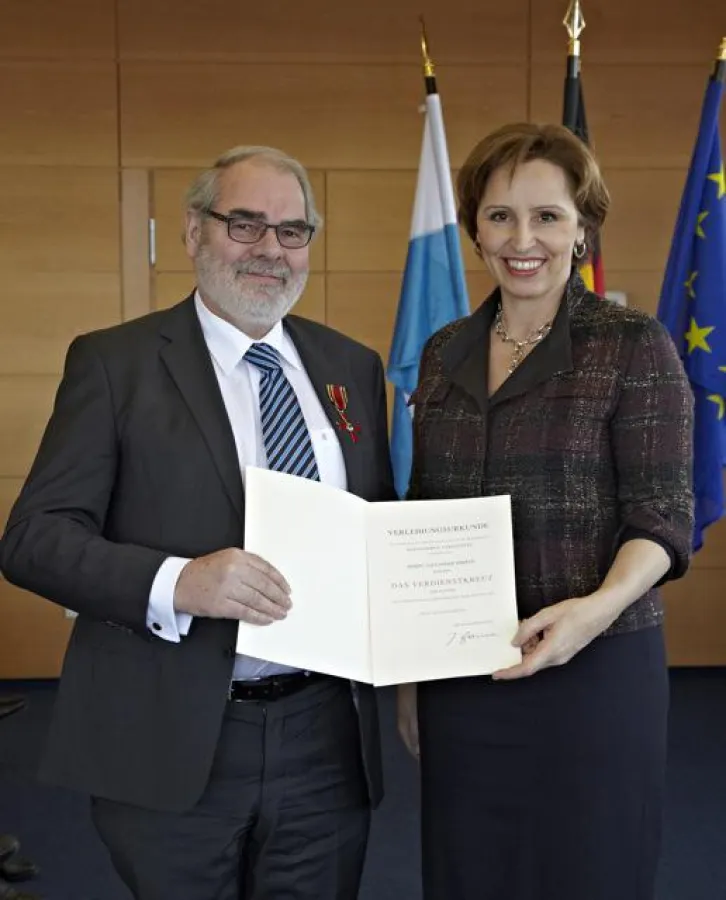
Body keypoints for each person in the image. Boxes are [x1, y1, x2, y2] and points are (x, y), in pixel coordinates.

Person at [0, 145, 395, 899]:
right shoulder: (114, 364)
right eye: (244, 224)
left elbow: (372, 525)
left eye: (291, 230)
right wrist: (179, 583)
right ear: (192, 233)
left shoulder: (351, 366)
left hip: (324, 736)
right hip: (170, 733)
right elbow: (33, 539)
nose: (270, 249)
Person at [397, 123, 694, 900]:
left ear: (582, 227)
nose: (522, 239)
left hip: (595, 668)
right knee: (470, 873)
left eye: (547, 216)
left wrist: (594, 610)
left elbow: (663, 515)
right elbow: (425, 512)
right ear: (475, 229)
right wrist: (410, 677)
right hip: (464, 670)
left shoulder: (632, 344)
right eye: (500, 216)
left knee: (588, 872)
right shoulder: (443, 351)